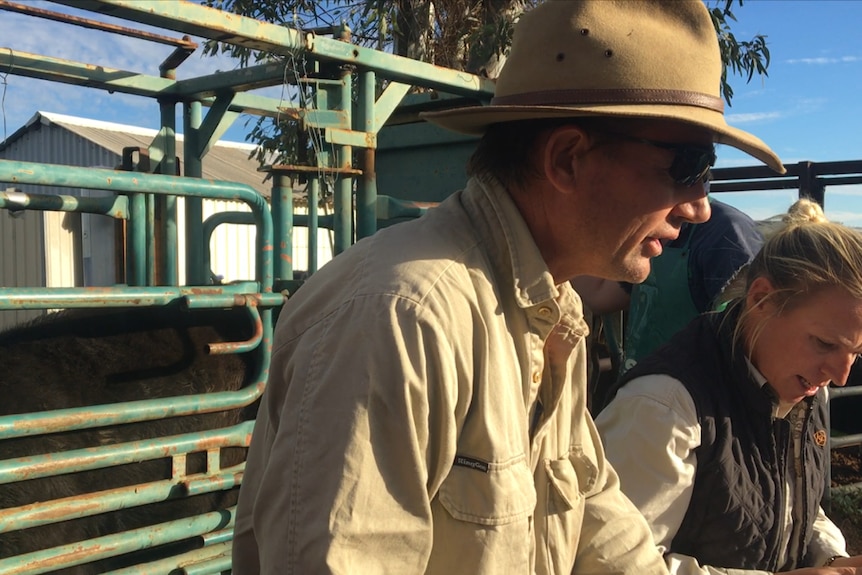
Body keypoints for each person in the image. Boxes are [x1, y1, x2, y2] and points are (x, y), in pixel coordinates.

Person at [231, 1, 785, 573]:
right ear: (567, 158)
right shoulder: (403, 320)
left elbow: (597, 523)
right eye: (688, 165)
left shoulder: (550, 309)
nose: (698, 207)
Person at [595, 198, 862, 575]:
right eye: (824, 343)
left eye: (857, 351)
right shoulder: (663, 407)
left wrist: (833, 560)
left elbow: (794, 503)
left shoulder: (800, 384)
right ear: (762, 299)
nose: (841, 376)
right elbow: (609, 564)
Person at [573, 197, 763, 404]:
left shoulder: (725, 234)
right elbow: (600, 294)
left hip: (692, 414)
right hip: (640, 402)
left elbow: (752, 354)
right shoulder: (647, 224)